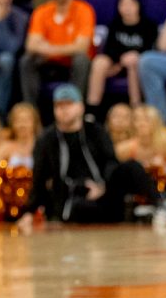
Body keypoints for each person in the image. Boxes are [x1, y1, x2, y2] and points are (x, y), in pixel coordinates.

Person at [29, 84, 130, 224]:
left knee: (131, 167)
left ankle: (161, 207)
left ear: (81, 107)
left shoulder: (96, 131)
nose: (63, 110)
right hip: (71, 198)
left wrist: (103, 187)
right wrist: (29, 211)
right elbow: (39, 177)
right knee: (81, 207)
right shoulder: (47, 139)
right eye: (58, 106)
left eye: (69, 105)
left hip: (103, 190)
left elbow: (110, 162)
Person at [20, 0, 94, 106]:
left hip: (71, 62)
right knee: (27, 60)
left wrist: (49, 48)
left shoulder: (84, 10)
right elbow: (31, 45)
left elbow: (82, 47)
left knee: (81, 60)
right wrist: (66, 47)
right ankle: (31, 111)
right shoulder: (42, 11)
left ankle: (75, 108)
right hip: (48, 62)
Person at [86, 0, 157, 120]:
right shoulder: (114, 25)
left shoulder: (149, 26)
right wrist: (119, 61)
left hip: (138, 67)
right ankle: (92, 110)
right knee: (99, 62)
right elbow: (109, 50)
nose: (127, 7)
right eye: (123, 3)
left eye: (131, 3)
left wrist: (131, 57)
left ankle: (136, 108)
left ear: (138, 5)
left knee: (132, 62)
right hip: (117, 64)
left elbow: (151, 51)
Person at [116, 104, 166, 220]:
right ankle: (153, 208)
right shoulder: (124, 149)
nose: (141, 124)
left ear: (156, 122)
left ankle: (165, 209)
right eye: (137, 119)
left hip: (165, 190)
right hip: (138, 195)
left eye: (146, 119)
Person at [0, 101, 40, 223]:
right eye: (18, 120)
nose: (22, 125)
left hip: (37, 200)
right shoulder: (5, 147)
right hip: (10, 203)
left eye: (26, 120)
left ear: (34, 122)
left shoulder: (42, 145)